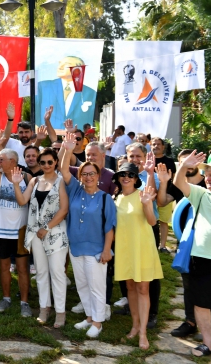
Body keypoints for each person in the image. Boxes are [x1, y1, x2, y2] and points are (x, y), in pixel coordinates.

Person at [60, 133, 116, 338]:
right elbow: (64, 170)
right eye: (85, 174)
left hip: (96, 250)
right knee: (82, 285)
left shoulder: (105, 198)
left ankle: (98, 322)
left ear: (98, 176)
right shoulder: (75, 190)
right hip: (76, 247)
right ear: (81, 176)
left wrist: (106, 250)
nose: (88, 177)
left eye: (92, 174)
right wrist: (67, 149)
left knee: (97, 286)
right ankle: (90, 317)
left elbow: (110, 227)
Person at [11, 148, 69, 327]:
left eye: (49, 162)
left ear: (55, 163)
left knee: (57, 273)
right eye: (42, 162)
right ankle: (45, 308)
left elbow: (64, 209)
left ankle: (60, 312)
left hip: (56, 233)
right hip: (35, 233)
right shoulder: (35, 180)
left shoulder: (61, 181)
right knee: (41, 272)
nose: (46, 165)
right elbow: (22, 201)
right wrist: (15, 184)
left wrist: (47, 227)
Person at [112, 162, 163, 350]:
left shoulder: (143, 195)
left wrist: (147, 204)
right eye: (123, 174)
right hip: (124, 248)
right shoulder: (115, 198)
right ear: (117, 178)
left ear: (136, 179)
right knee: (130, 286)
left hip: (142, 247)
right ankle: (134, 326)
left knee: (143, 288)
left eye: (131, 175)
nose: (127, 177)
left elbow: (151, 221)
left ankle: (143, 332)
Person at [0, 126, 32, 316]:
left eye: (1, 159)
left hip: (20, 231)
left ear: (13, 161)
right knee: (3, 267)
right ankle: (6, 298)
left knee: (22, 268)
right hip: (2, 231)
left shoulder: (27, 178)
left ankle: (25, 302)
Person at [172, 150, 211, 357]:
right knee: (201, 303)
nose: (209, 177)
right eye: (208, 173)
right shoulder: (202, 194)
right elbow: (179, 182)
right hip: (202, 259)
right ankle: (208, 343)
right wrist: (184, 165)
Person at [35, 55, 97, 129]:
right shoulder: (43, 86)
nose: (60, 67)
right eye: (60, 64)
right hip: (47, 135)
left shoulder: (89, 92)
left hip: (75, 136)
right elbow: (36, 110)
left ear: (78, 70)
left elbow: (90, 117)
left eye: (66, 65)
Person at [151, 137, 176, 252]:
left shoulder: (170, 161)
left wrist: (169, 194)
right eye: (154, 144)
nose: (156, 146)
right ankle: (151, 242)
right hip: (149, 195)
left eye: (158, 144)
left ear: (163, 146)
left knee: (163, 221)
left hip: (165, 195)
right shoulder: (148, 160)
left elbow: (174, 179)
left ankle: (162, 245)